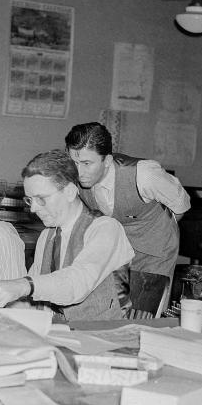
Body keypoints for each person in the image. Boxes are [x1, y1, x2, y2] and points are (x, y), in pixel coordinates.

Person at [0, 149, 134, 321]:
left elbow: (75, 283)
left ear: (69, 191)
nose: (33, 209)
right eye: (29, 200)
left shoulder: (105, 229)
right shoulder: (47, 236)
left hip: (103, 336)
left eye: (41, 199)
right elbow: (37, 301)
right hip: (61, 335)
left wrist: (24, 285)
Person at [64, 122, 191, 315]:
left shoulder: (144, 175)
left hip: (154, 250)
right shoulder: (77, 177)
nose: (79, 172)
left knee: (144, 315)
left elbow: (181, 205)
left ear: (107, 160)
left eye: (87, 164)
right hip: (119, 248)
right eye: (74, 162)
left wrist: (156, 232)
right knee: (114, 310)